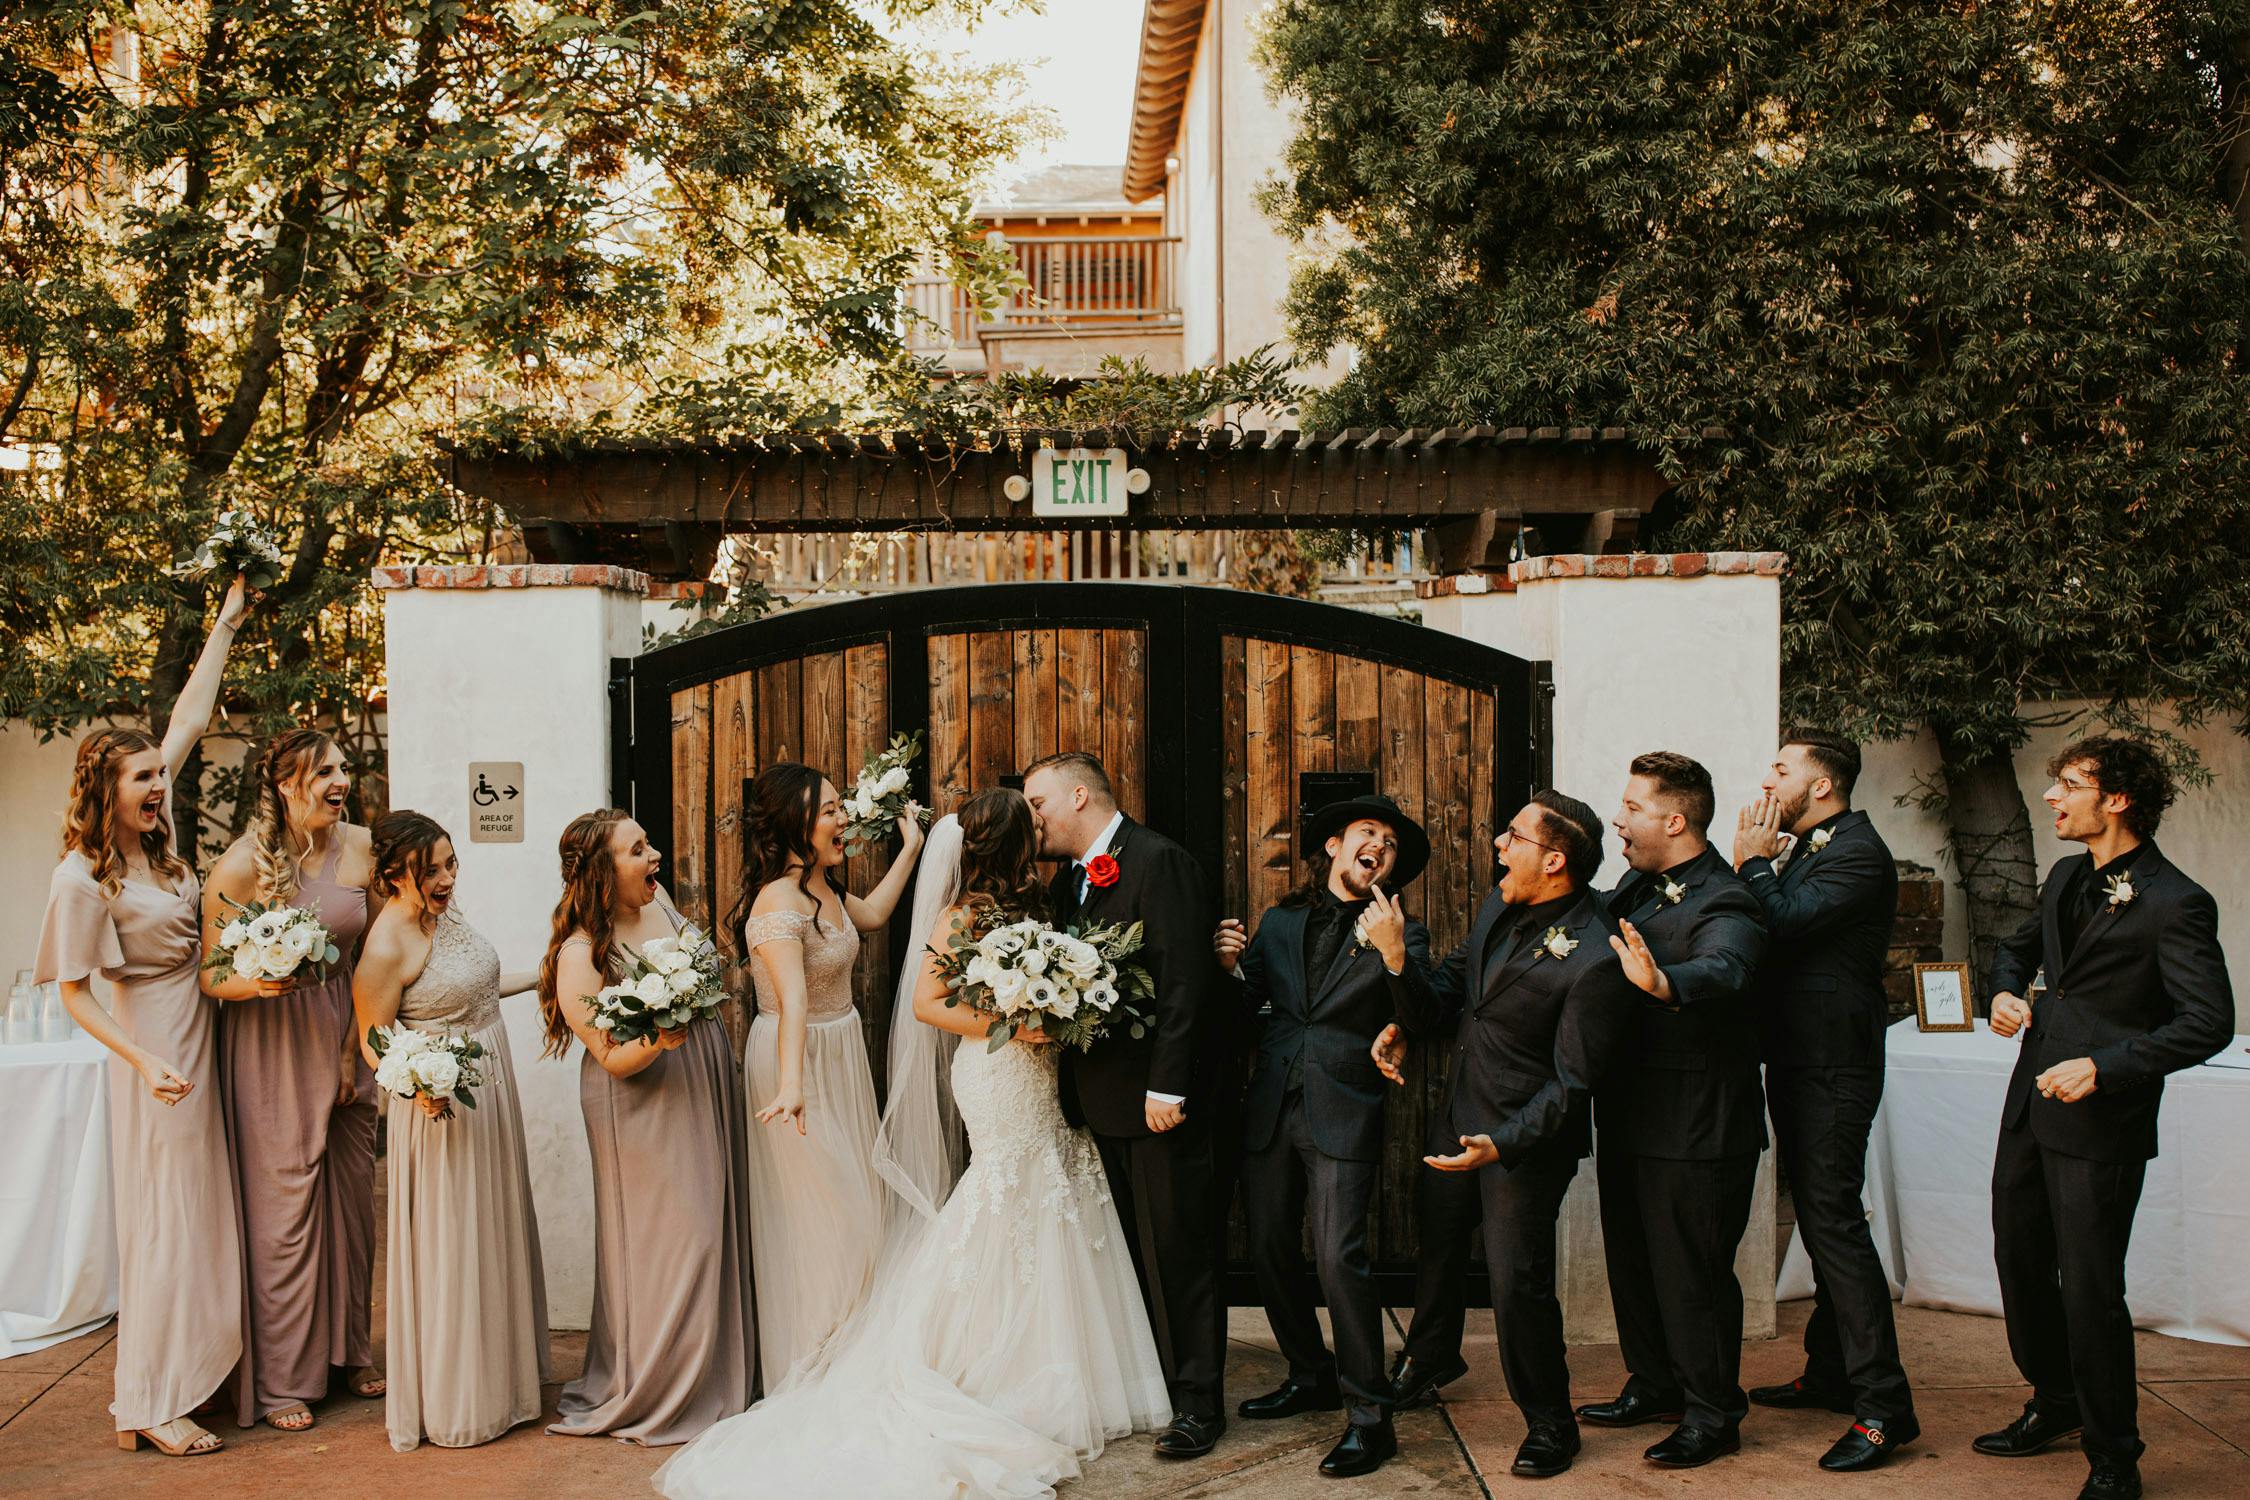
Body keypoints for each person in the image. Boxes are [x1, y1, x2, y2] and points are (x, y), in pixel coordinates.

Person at [653, 792, 1170, 1499]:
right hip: (997, 1071)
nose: (1044, 825)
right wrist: (1017, 1022)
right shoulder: (960, 914)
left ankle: (1068, 1359)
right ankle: (979, 1355)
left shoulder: (1034, 904)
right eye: (1033, 821)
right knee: (1005, 1193)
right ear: (1013, 841)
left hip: (1043, 1072)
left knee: (1056, 1183)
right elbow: (929, 1004)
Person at [1980, 737, 2234, 1500]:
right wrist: (2004, 992)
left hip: (2103, 1124)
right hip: (2031, 1104)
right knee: (2020, 1262)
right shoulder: (2065, 875)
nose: (2052, 797)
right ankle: (2055, 1398)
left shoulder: (2176, 901)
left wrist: (2105, 1067)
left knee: (2090, 1287)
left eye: (2069, 784)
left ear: (2116, 800)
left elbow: (2208, 1022)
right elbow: (2015, 950)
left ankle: (2114, 1454)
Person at [37, 577, 250, 1459]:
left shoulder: (158, 854)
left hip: (201, 1031)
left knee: (202, 1216)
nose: (161, 784)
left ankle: (195, 1373)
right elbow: (73, 993)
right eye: (144, 778)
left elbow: (190, 718)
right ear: (107, 789)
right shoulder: (80, 879)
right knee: (165, 1223)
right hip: (155, 1053)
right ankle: (151, 1400)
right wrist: (142, 1061)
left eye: (161, 773)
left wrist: (227, 623)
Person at [1373, 790, 1637, 1480]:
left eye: (1514, 836)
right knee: (1437, 1245)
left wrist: (1505, 1143)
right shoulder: (1498, 904)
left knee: (1518, 1281)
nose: (1498, 842)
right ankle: (1431, 1356)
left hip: (1526, 1145)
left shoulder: (1597, 952)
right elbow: (1447, 996)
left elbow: (1573, 1084)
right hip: (1459, 1114)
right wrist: (1399, 979)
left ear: (1554, 860)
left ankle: (1550, 1423)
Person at [1213, 793, 1432, 1479]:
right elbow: (1246, 1014)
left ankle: (1370, 1417)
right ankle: (1309, 1373)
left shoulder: (1405, 932)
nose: (1380, 848)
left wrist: (1395, 958)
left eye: (1390, 845)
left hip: (1344, 1107)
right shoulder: (1280, 921)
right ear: (1334, 845)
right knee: (1269, 1249)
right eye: (1369, 834)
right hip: (1272, 1104)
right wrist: (1229, 973)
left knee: (1340, 1257)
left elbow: (1426, 1016)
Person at [1024, 751, 1232, 1461]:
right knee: (1132, 1253)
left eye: (1039, 803)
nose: (1034, 819)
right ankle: (1160, 1387)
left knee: (1180, 1248)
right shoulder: (1069, 882)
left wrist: (1168, 1086)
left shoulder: (1159, 861)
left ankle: (1200, 1403)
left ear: (1080, 797)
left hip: (1156, 1100)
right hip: (1098, 1101)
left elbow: (1184, 983)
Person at [1732, 729, 1918, 1468]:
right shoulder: (1812, 847)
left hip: (1835, 1063)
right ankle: (1833, 1371)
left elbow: (1784, 921)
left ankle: (1884, 1407)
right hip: (1800, 1056)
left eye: (1781, 768)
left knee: (1833, 1222)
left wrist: (1753, 862)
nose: (1767, 779)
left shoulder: (1858, 852)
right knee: (1819, 1215)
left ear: (1821, 786)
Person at [1577, 753, 1767, 1468]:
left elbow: (1728, 968)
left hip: (1698, 1125)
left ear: (1676, 820)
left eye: (1633, 808)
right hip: (1631, 1112)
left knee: (1693, 1275)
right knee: (1633, 1262)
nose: (1619, 820)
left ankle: (1713, 1413)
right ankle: (1655, 1383)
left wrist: (1664, 982)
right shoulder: (1637, 885)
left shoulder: (1727, 898)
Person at [542, 809, 755, 1445]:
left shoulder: (658, 904)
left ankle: (713, 1376)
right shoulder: (581, 952)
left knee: (711, 1225)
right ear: (603, 871)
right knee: (674, 1241)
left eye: (647, 843)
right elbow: (608, 1054)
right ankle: (658, 1386)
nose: (654, 854)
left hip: (698, 1080)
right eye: (637, 849)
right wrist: (662, 1037)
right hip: (639, 1102)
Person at [351, 812, 549, 1452]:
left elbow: (479, 990)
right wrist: (419, 1089)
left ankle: (505, 1384)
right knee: (455, 1242)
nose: (445, 879)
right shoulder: (386, 946)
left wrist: (544, 975)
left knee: (491, 1229)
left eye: (450, 863)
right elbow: (374, 1043)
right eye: (429, 870)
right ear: (392, 876)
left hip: (489, 1087)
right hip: (440, 1108)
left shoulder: (444, 915)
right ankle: (459, 1400)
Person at [202, 726, 382, 1430]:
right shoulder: (240, 866)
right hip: (271, 1044)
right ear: (285, 784)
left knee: (351, 1205)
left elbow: (372, 956)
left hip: (346, 1032)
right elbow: (211, 975)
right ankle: (282, 1380)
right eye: (324, 771)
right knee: (285, 1217)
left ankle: (349, 1352)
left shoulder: (363, 848)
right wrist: (261, 981)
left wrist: (354, 1047)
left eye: (343, 768)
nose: (341, 781)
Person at [731, 762, 925, 1383]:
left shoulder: (825, 889)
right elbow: (791, 1001)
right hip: (796, 1062)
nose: (844, 820)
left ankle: (851, 1354)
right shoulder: (777, 904)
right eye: (830, 811)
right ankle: (815, 1361)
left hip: (839, 1052)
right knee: (830, 1216)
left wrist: (912, 848)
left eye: (842, 807)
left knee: (860, 1204)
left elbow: (873, 916)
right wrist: (792, 1085)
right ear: (794, 822)